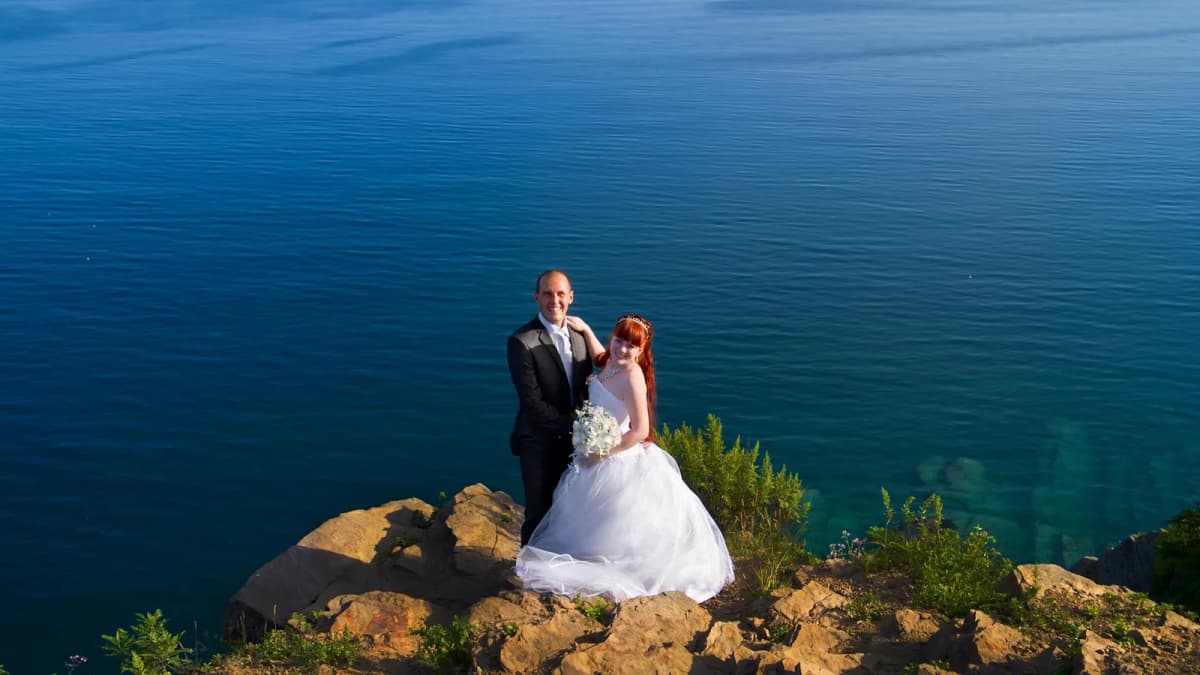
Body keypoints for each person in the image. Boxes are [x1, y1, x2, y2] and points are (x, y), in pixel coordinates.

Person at [515, 313, 735, 603]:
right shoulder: (609, 363)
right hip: (593, 458)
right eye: (619, 340)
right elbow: (600, 355)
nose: (622, 349)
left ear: (641, 351)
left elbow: (640, 430)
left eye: (631, 346)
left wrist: (603, 453)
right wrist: (584, 328)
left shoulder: (633, 376)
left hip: (617, 460)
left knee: (617, 531)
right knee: (584, 524)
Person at [507, 270, 593, 545]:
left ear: (571, 297)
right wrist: (577, 428)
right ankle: (525, 578)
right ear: (536, 297)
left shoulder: (580, 336)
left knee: (572, 512)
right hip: (538, 441)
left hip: (575, 441)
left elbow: (592, 384)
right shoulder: (522, 342)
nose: (553, 300)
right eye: (547, 293)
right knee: (538, 512)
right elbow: (532, 403)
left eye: (559, 294)